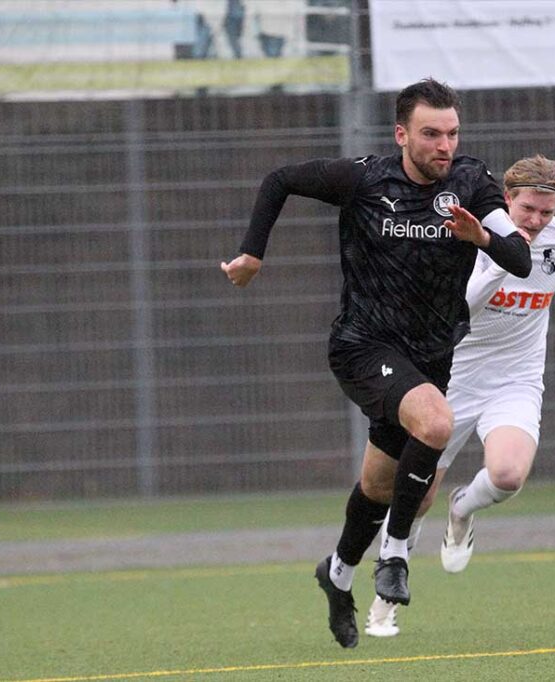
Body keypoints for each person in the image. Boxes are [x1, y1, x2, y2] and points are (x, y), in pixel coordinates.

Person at [221, 78, 532, 649]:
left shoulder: (472, 182)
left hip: (430, 356)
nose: (445, 145)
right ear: (402, 135)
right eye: (431, 134)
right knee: (436, 424)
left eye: (452, 133)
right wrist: (252, 252)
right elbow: (280, 180)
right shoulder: (366, 180)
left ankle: (337, 575)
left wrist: (482, 236)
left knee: (378, 484)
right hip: (363, 346)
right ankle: (394, 556)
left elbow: (521, 260)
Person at [364, 155, 555, 637]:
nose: (538, 221)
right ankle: (385, 596)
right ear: (507, 199)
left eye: (547, 212)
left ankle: (463, 509)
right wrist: (506, 259)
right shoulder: (472, 238)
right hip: (450, 379)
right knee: (415, 498)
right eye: (527, 210)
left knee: (507, 475)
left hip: (515, 379)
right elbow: (462, 310)